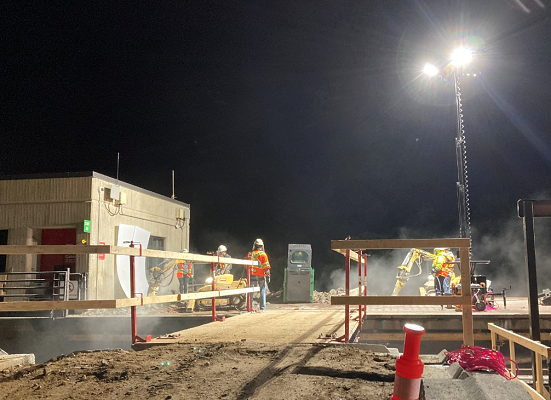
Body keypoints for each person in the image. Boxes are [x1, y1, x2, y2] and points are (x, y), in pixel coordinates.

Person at [247, 238, 271, 311]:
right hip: (261, 275)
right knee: (262, 290)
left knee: (251, 290)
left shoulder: (250, 254)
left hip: (251, 275)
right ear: (261, 246)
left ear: (254, 245)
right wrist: (268, 274)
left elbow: (246, 266)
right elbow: (266, 267)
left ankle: (249, 306)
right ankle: (262, 307)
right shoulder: (263, 254)